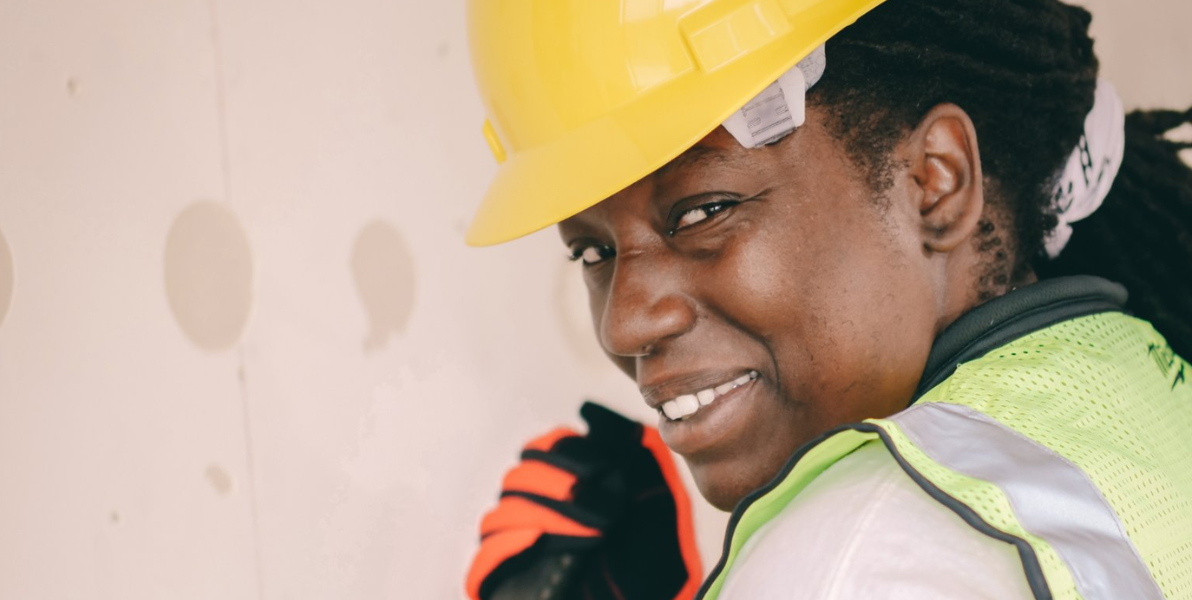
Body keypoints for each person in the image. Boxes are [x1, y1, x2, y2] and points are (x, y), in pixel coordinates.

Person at [462, 0, 1192, 598]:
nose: (626, 323)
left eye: (703, 212)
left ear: (933, 183)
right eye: (593, 252)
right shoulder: (1141, 379)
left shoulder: (856, 552)